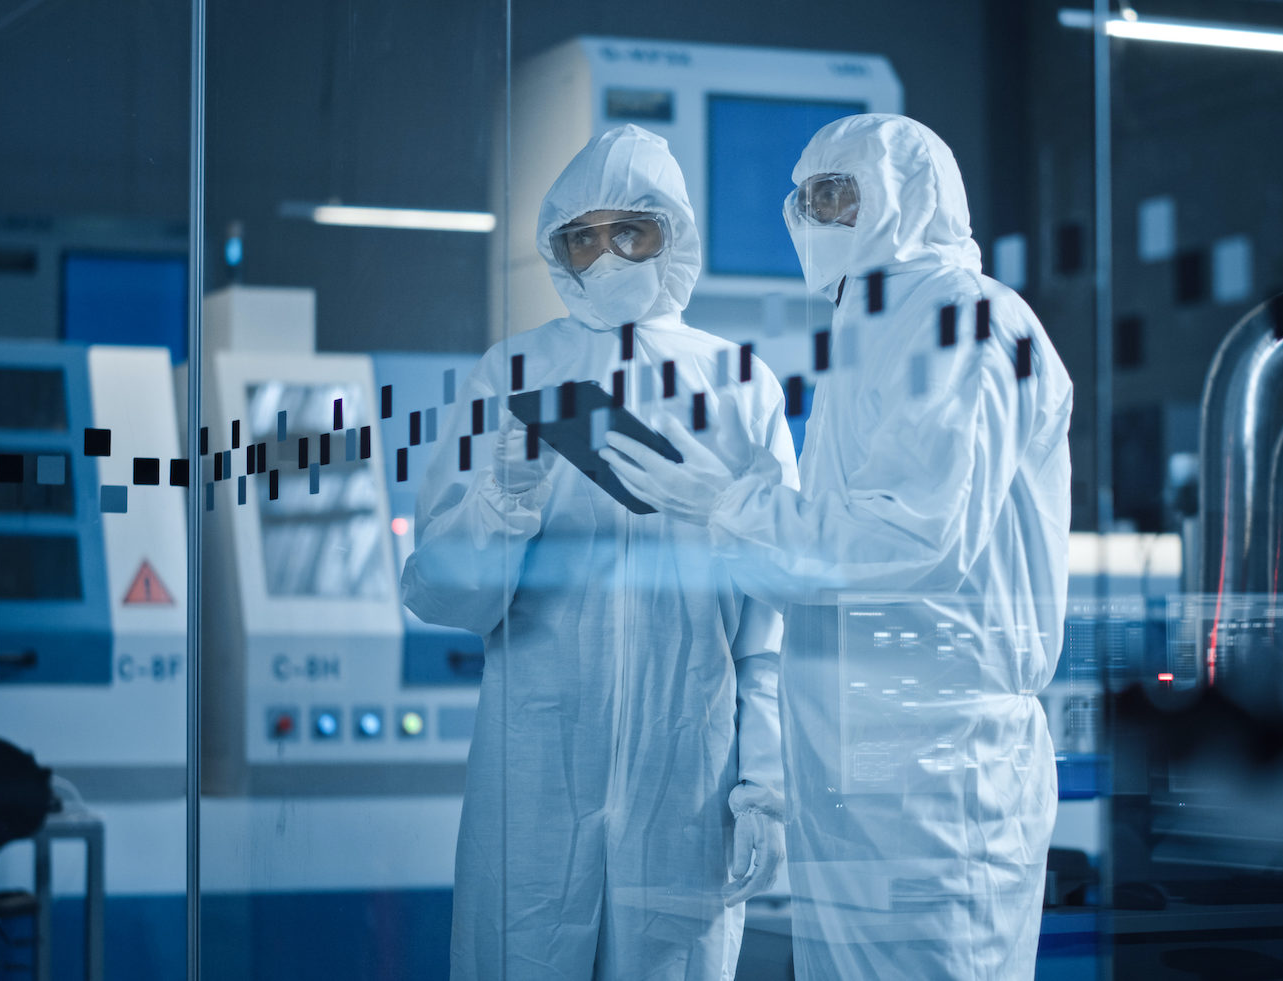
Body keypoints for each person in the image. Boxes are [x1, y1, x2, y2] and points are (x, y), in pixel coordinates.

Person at [602, 113, 1074, 980]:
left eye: (839, 194)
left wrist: (733, 500)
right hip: (856, 757)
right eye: (807, 198)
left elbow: (908, 546)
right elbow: (825, 569)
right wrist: (721, 511)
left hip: (940, 763)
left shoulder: (964, 323)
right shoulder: (867, 336)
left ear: (909, 195)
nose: (816, 218)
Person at [402, 124, 799, 980]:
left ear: (674, 235)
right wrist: (503, 502)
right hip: (536, 772)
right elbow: (440, 593)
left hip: (686, 773)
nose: (607, 256)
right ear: (557, 248)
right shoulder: (511, 375)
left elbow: (771, 614)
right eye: (583, 236)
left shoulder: (737, 385)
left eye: (632, 232)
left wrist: (766, 781)